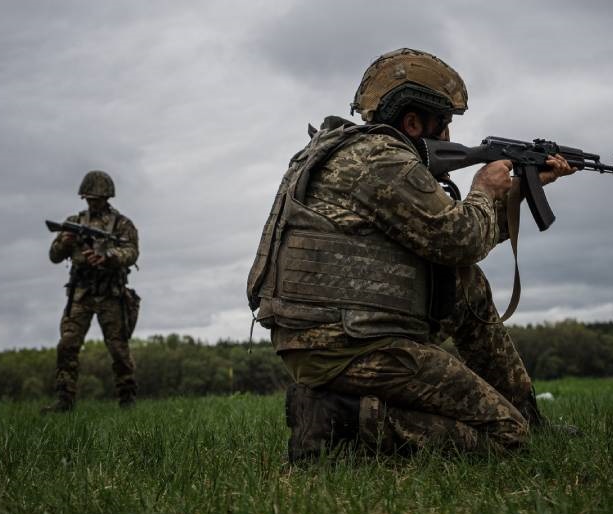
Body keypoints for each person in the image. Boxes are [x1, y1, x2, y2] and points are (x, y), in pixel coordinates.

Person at [247, 48, 578, 463]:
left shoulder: (349, 153)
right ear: (413, 122)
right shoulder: (382, 160)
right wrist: (483, 187)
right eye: (445, 126)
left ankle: (530, 415)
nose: (449, 139)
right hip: (350, 346)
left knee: (466, 284)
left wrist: (524, 189)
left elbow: (445, 243)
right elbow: (461, 239)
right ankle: (340, 419)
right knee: (507, 438)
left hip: (327, 338)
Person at [43, 170, 140, 412]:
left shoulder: (122, 225)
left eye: (97, 198)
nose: (92, 202)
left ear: (107, 197)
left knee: (118, 349)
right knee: (67, 345)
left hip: (111, 294)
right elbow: (54, 256)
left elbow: (131, 253)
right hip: (81, 293)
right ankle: (64, 400)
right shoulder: (74, 222)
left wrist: (108, 257)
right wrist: (63, 242)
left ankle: (127, 400)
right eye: (89, 198)